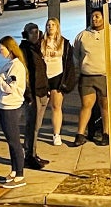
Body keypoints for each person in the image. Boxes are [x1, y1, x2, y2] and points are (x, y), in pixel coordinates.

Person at [73, 8, 111, 147]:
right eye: (93, 17)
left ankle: (106, 134)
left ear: (104, 18)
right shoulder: (83, 35)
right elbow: (76, 53)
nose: (95, 19)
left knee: (105, 105)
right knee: (86, 105)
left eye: (98, 16)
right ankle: (80, 135)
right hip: (87, 76)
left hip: (106, 76)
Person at [0, 36, 28, 189]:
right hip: (2, 106)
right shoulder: (8, 65)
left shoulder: (17, 67)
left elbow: (9, 88)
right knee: (10, 141)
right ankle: (14, 171)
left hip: (11, 108)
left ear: (10, 48)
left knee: (14, 141)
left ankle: (20, 175)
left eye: (1, 48)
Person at [19, 23, 49, 170]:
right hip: (33, 93)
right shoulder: (24, 51)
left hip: (43, 91)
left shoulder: (38, 48)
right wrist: (28, 94)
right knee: (31, 126)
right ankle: (28, 155)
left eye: (37, 32)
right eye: (32, 33)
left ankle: (34, 153)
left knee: (37, 126)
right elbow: (24, 74)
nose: (35, 35)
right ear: (26, 34)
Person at [41, 17, 76, 146]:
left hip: (57, 77)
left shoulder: (64, 43)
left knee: (56, 106)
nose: (50, 27)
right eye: (48, 25)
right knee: (40, 107)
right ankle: (33, 131)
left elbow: (69, 64)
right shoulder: (42, 42)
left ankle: (56, 134)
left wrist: (67, 81)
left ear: (57, 27)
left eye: (53, 25)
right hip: (44, 78)